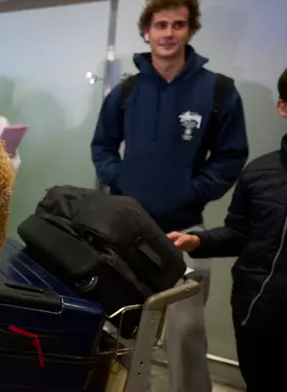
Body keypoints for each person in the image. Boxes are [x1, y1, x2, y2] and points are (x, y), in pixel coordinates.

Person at [90, 1, 248, 391]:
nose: (168, 33)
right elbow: (103, 147)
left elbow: (231, 157)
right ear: (147, 31)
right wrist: (121, 180)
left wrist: (190, 191)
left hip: (186, 232)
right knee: (122, 330)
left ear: (190, 30)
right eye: (160, 24)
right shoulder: (126, 90)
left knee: (186, 335)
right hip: (126, 234)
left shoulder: (218, 90)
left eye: (178, 24)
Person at [167, 68, 287, 392]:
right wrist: (196, 241)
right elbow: (241, 233)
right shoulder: (260, 173)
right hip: (258, 315)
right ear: (283, 107)